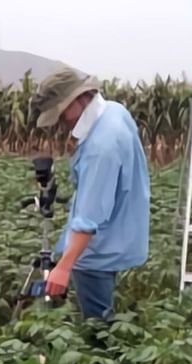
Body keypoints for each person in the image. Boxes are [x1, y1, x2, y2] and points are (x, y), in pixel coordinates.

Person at [32, 66, 150, 321]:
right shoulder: (115, 111)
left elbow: (89, 221)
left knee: (97, 328)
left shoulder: (101, 146)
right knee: (108, 316)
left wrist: (63, 267)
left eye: (62, 112)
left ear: (78, 98)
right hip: (121, 233)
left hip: (97, 252)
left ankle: (102, 357)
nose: (63, 120)